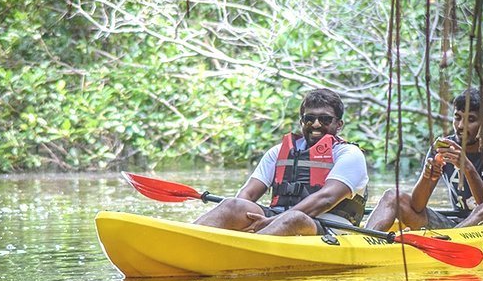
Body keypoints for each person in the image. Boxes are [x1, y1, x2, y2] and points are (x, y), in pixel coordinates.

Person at [194, 88, 369, 236]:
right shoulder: (278, 152)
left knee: (293, 218)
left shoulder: (349, 154)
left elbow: (326, 199)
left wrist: (274, 221)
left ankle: (247, 250)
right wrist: (242, 219)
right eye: (309, 118)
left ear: (339, 124)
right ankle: (190, 238)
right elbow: (247, 194)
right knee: (233, 205)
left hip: (328, 227)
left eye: (325, 119)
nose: (316, 124)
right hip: (276, 219)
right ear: (302, 122)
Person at [366, 87, 483, 231]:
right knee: (392, 196)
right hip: (456, 225)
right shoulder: (443, 147)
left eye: (471, 120)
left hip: (478, 228)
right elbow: (417, 206)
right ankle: (365, 239)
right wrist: (427, 176)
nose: (460, 126)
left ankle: (449, 240)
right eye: (457, 117)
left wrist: (467, 167)